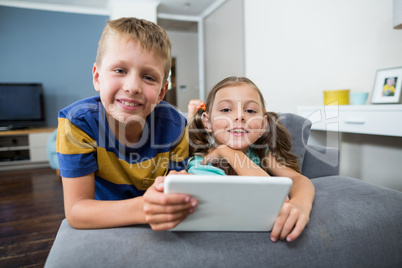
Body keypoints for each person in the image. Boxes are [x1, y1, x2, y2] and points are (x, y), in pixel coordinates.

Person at [57, 17, 197, 230]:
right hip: (105, 223)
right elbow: (76, 211)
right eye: (120, 70)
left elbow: (175, 184)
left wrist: (174, 185)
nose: (132, 87)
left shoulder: (176, 125)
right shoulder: (77, 122)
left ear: (161, 92)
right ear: (97, 77)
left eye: (148, 77)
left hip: (159, 223)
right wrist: (143, 208)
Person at [187, 76, 315, 242]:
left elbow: (298, 179)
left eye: (250, 111)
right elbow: (270, 197)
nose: (239, 116)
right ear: (207, 122)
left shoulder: (260, 153)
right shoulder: (200, 165)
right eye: (226, 110)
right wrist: (228, 152)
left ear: (263, 125)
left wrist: (300, 205)